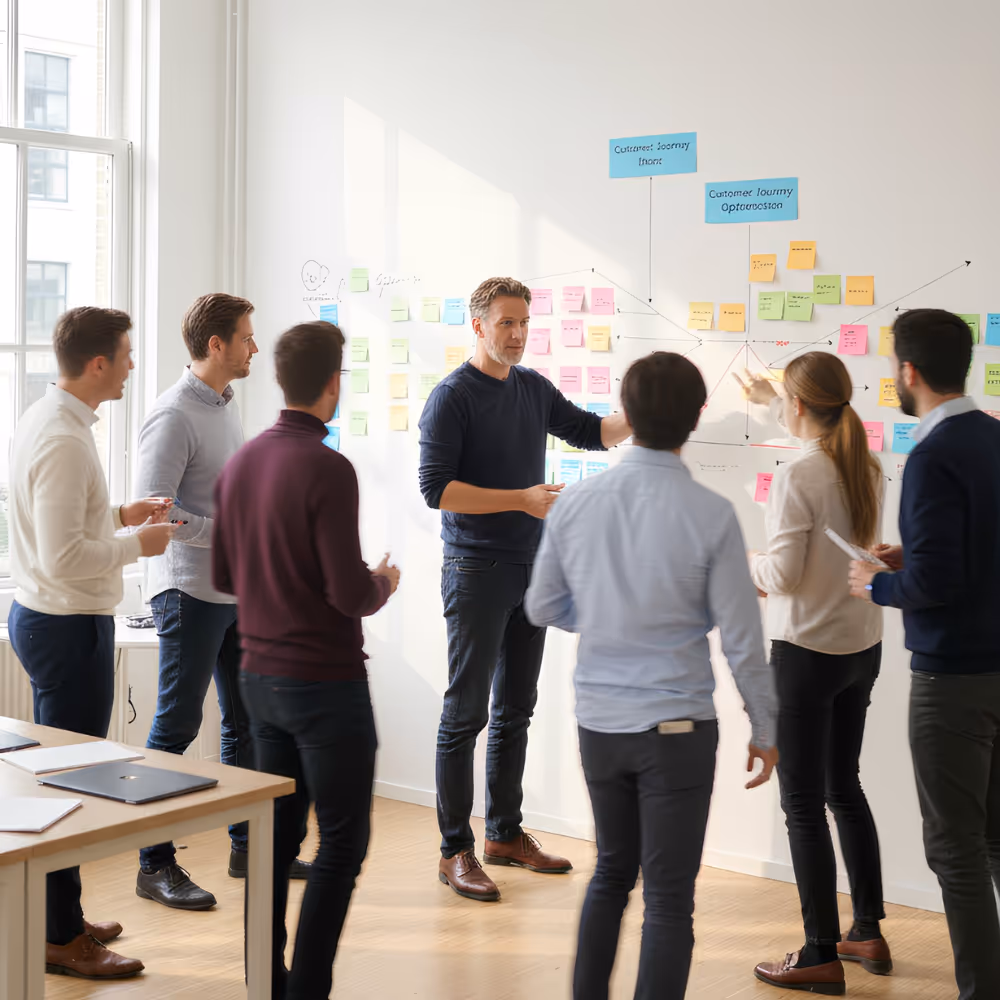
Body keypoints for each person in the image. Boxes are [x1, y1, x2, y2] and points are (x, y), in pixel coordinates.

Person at [524, 351, 777, 1000]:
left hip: (600, 723)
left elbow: (542, 606)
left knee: (611, 871)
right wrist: (765, 724)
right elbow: (744, 640)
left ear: (627, 416)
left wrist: (608, 615)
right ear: (695, 419)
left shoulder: (576, 502)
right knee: (669, 898)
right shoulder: (712, 513)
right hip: (679, 729)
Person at [418, 276, 632, 902]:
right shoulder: (450, 397)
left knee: (516, 708)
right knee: (465, 714)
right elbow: (436, 490)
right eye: (505, 323)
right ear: (477, 325)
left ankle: (504, 835)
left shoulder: (533, 389)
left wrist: (647, 413)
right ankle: (454, 849)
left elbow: (592, 432)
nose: (516, 334)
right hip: (475, 570)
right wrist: (521, 499)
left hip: (531, 569)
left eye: (523, 323)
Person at [213, 320, 399, 1000]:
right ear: (332, 384)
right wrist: (383, 582)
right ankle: (307, 991)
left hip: (258, 681)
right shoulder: (328, 467)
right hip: (325, 687)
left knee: (277, 842)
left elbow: (228, 578)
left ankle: (267, 981)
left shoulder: (242, 463)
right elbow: (350, 594)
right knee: (343, 843)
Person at [8, 307, 174, 979]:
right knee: (68, 787)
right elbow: (63, 554)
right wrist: (141, 544)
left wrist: (118, 516)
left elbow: (66, 524)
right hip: (67, 624)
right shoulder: (63, 438)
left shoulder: (52, 422)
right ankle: (57, 938)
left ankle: (62, 920)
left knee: (65, 780)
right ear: (98, 363)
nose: (134, 365)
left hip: (59, 619)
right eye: (127, 355)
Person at [133, 294, 310, 910]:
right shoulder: (173, 413)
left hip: (234, 589)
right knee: (177, 726)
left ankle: (246, 846)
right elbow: (152, 512)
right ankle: (152, 864)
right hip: (187, 590)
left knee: (246, 721)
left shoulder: (226, 407)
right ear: (216, 345)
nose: (254, 347)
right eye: (246, 338)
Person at [848, 308, 1000, 1000]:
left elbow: (936, 586)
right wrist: (912, 556)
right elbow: (977, 551)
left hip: (955, 679)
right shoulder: (993, 439)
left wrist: (879, 583)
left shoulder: (934, 454)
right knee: (994, 841)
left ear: (907, 372)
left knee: (955, 850)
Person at [741, 354, 889, 996]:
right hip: (861, 647)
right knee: (843, 789)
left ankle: (819, 953)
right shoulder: (865, 462)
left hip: (805, 653)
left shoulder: (800, 472)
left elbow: (782, 577)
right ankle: (867, 931)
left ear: (799, 407)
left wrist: (740, 556)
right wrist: (768, 395)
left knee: (801, 803)